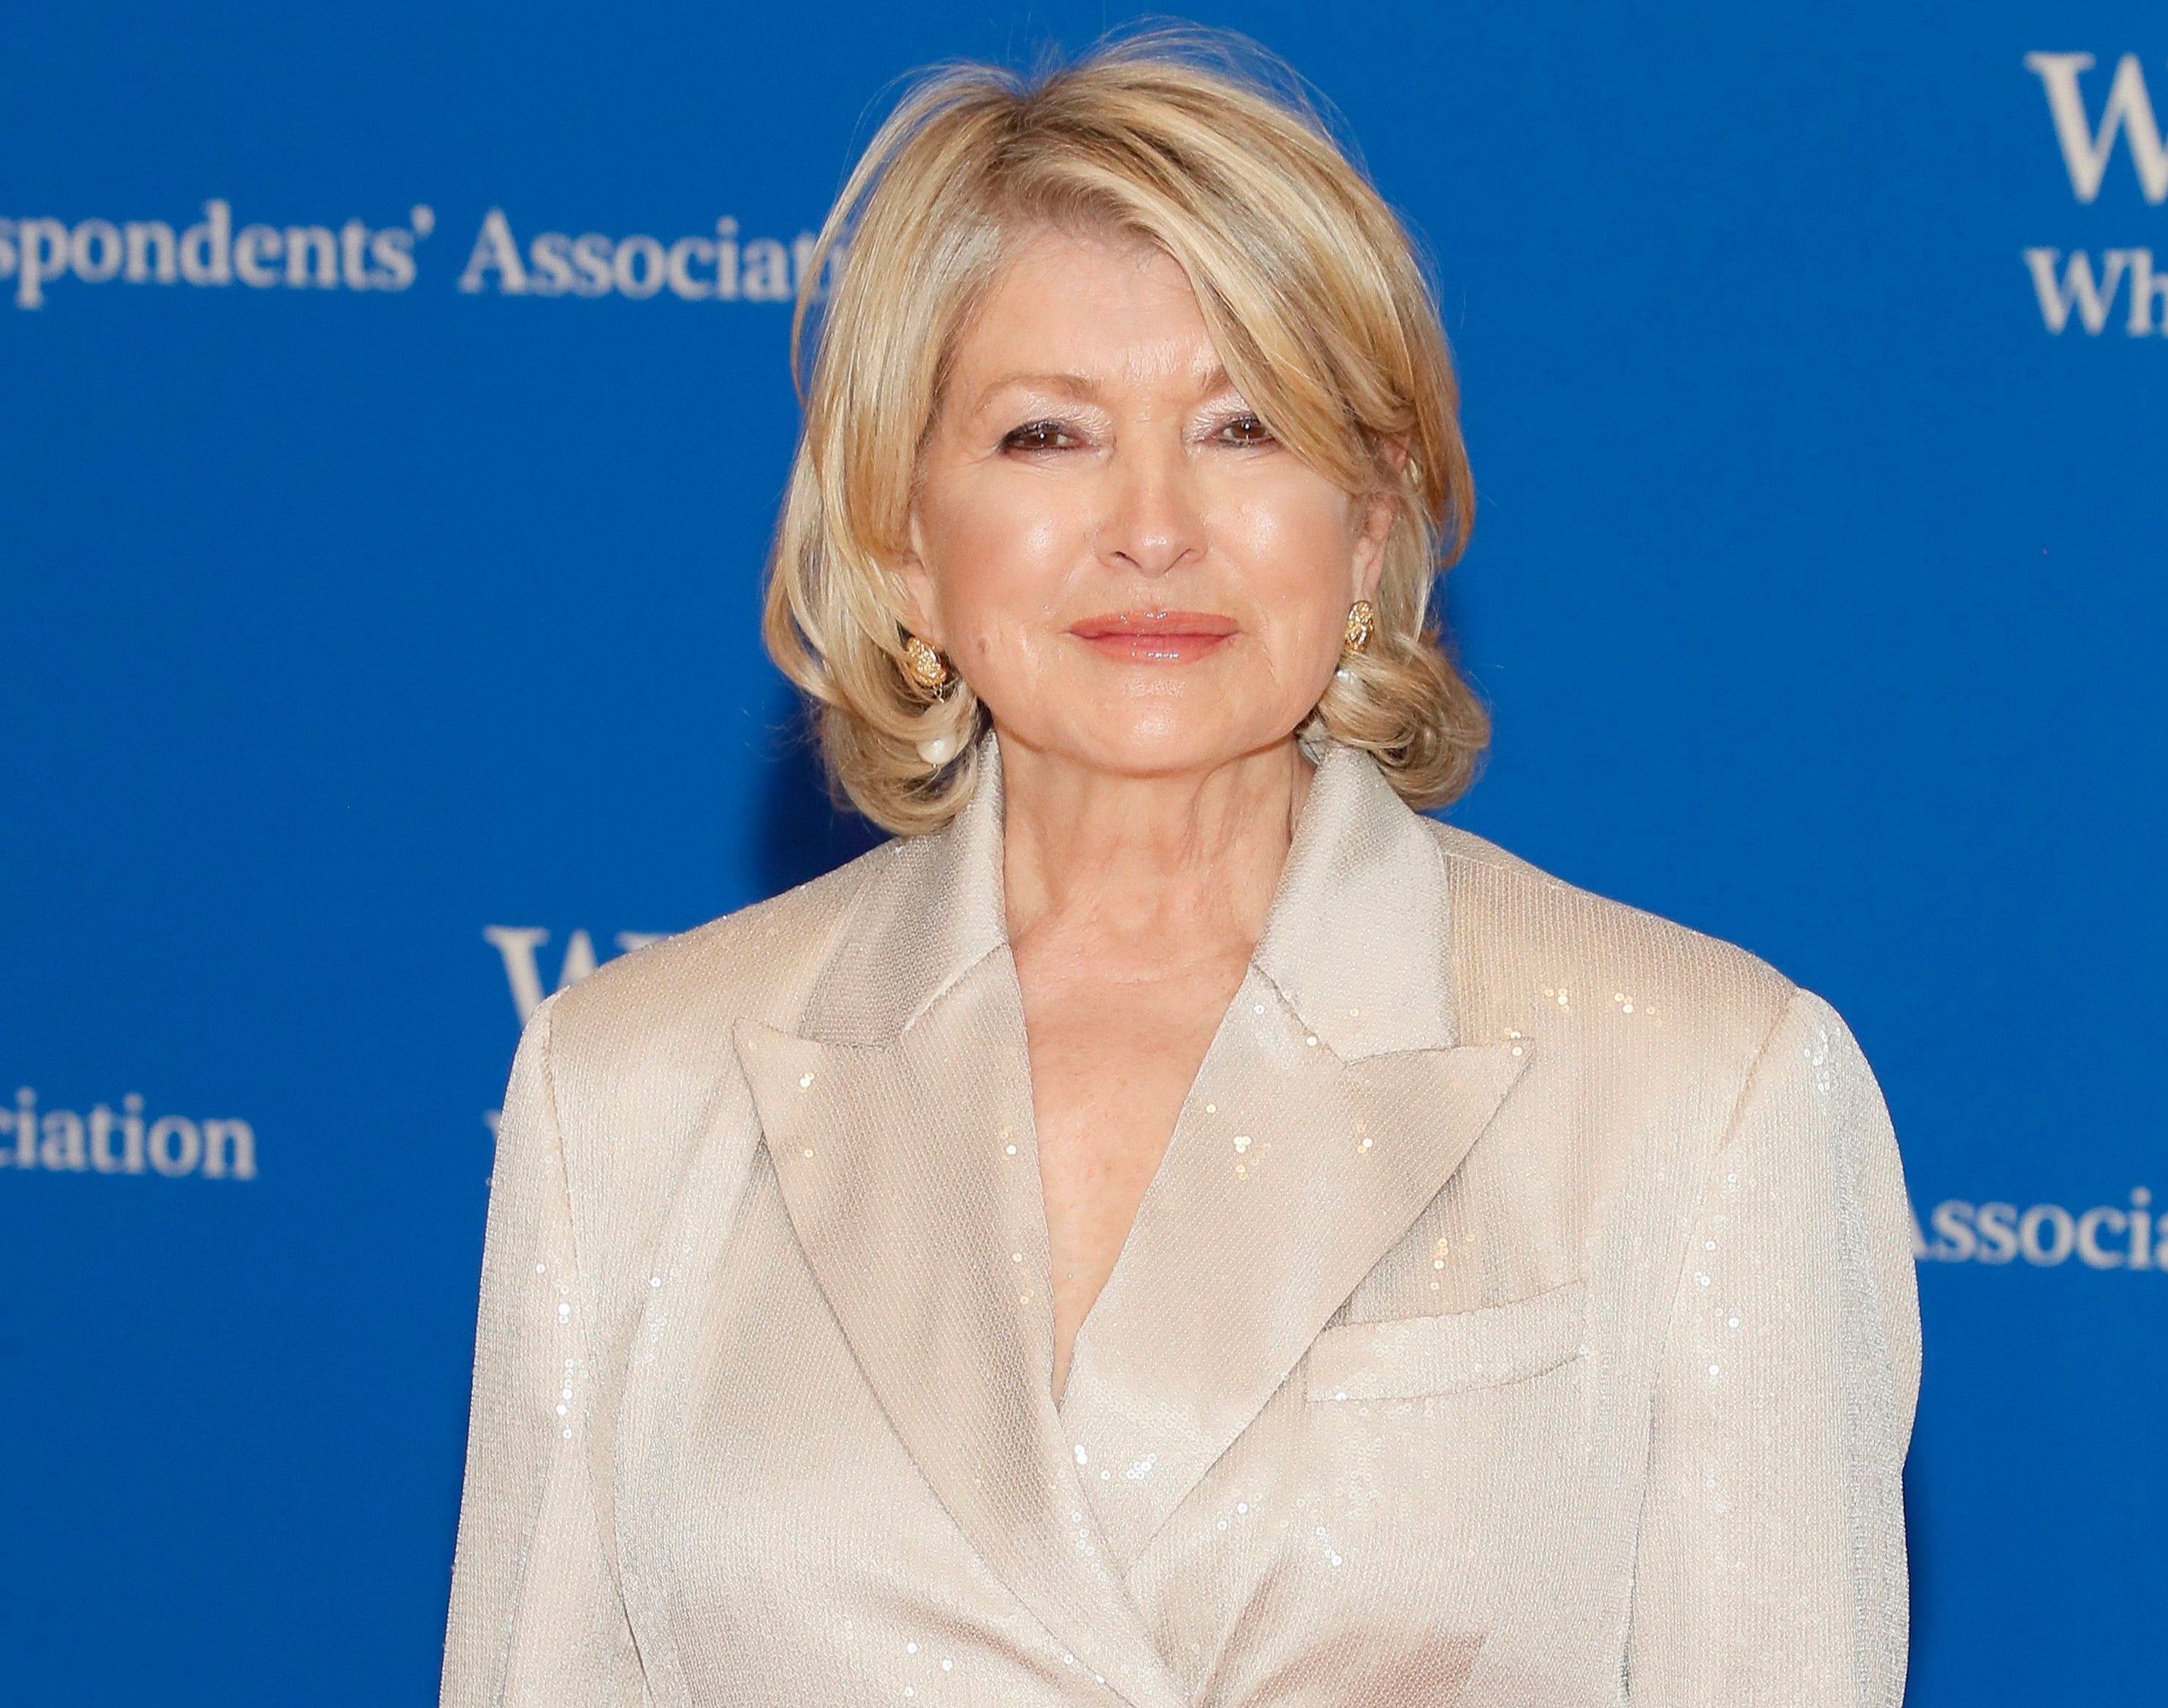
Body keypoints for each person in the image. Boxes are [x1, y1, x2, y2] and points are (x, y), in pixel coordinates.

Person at [439, 29, 1920, 1708]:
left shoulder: (1700, 1089)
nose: (1153, 525)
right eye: (1047, 437)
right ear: (905, 540)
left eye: (1244, 425)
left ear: (1368, 524)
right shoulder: (625, 1091)